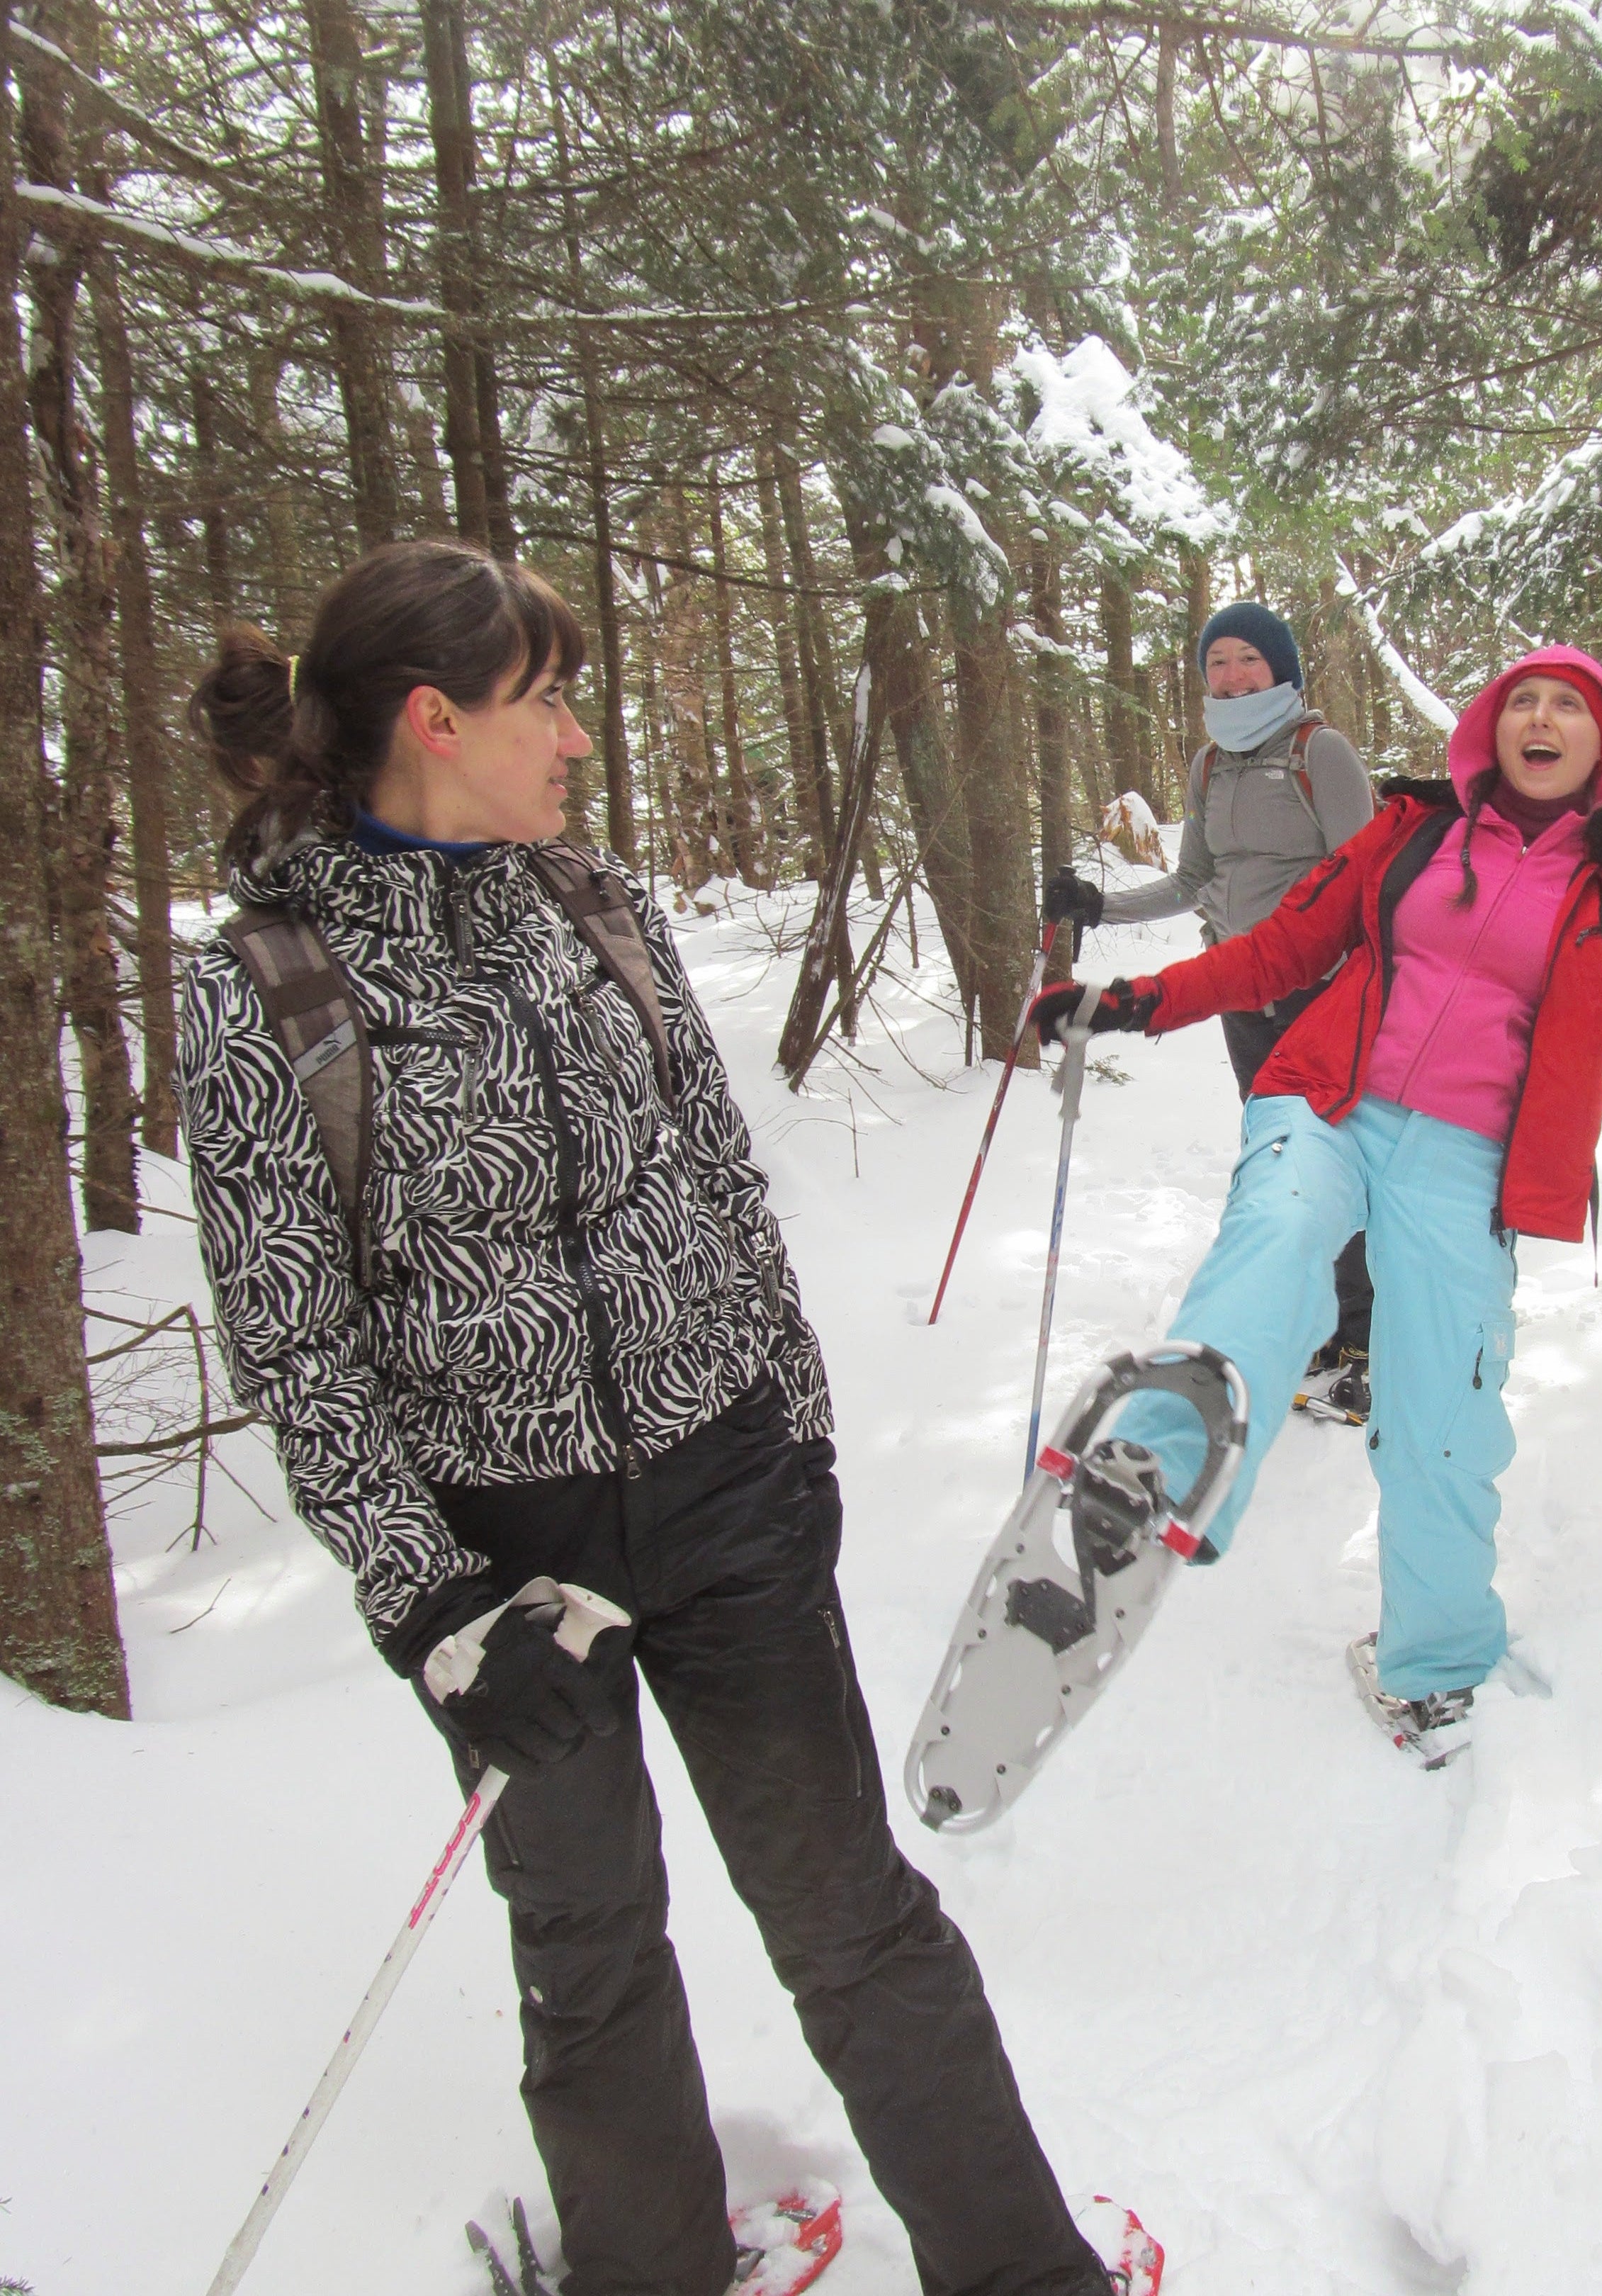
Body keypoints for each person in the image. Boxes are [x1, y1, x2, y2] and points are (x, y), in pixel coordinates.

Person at [177, 541, 1121, 2296]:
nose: (577, 737)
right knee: (588, 1950)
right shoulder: (269, 987)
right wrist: (438, 1611)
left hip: (729, 1487)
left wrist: (796, 1428)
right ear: (435, 720)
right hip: (509, 1571)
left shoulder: (593, 899)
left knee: (849, 1913)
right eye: (545, 701)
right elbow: (297, 1341)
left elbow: (717, 1177)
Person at [1027, 645, 1602, 1745]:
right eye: (1522, 702)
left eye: (1568, 707)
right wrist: (1133, 1001)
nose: (1541, 719)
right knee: (1278, 1237)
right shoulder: (1410, 831)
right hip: (1329, 1101)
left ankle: (1435, 1666)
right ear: (1492, 730)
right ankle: (1160, 1474)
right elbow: (1279, 951)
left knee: (1444, 1420)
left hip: (1467, 1165)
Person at [1043, 602, 1380, 1419]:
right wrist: (1101, 906)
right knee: (1280, 1167)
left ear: (1280, 669)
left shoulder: (1320, 752)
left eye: (1247, 659)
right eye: (1217, 661)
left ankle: (1371, 1339)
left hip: (1322, 992)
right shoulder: (1208, 765)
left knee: (1335, 1162)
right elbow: (1193, 881)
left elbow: (1367, 880)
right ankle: (1324, 1325)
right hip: (1243, 996)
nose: (1231, 675)